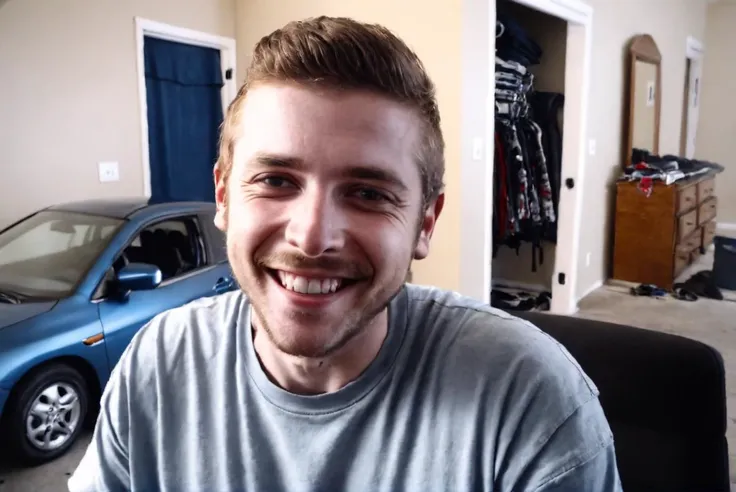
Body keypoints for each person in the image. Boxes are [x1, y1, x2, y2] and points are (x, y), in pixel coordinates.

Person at [69, 16, 622, 492]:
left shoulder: (529, 400)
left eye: (367, 193)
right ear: (223, 196)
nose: (311, 238)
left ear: (424, 222)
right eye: (276, 180)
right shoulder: (158, 365)